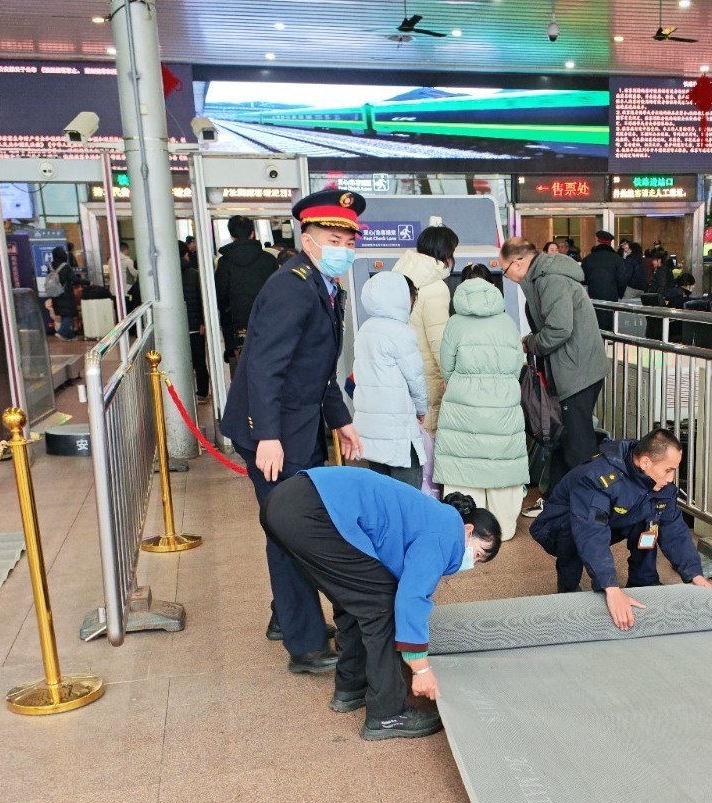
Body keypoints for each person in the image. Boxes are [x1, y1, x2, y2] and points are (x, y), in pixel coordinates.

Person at [220, 188, 367, 675]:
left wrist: (340, 420)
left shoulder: (324, 286)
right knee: (291, 531)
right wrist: (267, 434)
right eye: (332, 235)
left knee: (287, 522)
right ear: (307, 237)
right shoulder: (291, 285)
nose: (343, 243)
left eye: (349, 236)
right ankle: (304, 645)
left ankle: (285, 618)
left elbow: (318, 370)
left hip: (297, 426)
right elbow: (264, 365)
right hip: (274, 432)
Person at [263, 467, 502, 739]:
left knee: (362, 595)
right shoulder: (447, 535)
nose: (473, 561)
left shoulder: (432, 517)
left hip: (290, 502)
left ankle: (351, 686)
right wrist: (420, 668)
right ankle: (387, 714)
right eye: (479, 553)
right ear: (468, 530)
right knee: (381, 605)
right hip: (313, 511)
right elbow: (410, 599)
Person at [530, 429, 712, 630]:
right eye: (668, 470)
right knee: (578, 533)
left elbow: (674, 529)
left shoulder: (660, 484)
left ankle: (643, 581)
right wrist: (611, 588)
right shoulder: (598, 477)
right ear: (645, 463)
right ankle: (568, 587)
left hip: (608, 521)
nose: (671, 479)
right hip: (557, 527)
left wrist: (695, 574)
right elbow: (590, 532)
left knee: (650, 517)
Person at [500, 236, 607, 500]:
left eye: (506, 270)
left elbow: (560, 328)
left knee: (577, 445)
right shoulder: (543, 278)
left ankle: (593, 505)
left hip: (576, 371)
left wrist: (529, 343)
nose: (508, 276)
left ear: (519, 261)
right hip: (574, 368)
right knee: (564, 439)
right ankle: (556, 504)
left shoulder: (550, 280)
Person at [434, 277, 529, 539]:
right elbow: (514, 366)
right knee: (502, 464)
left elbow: (447, 367)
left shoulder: (454, 324)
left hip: (463, 401)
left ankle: (468, 528)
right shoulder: (507, 322)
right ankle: (504, 529)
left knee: (464, 468)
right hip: (502, 401)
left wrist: (464, 385)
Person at [353, 271, 428, 488]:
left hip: (371, 427)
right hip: (397, 427)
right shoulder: (401, 332)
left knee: (381, 488)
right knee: (408, 492)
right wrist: (421, 409)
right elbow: (415, 378)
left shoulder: (365, 330)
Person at [395, 225, 459, 436]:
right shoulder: (435, 287)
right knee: (428, 442)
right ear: (445, 254)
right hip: (427, 378)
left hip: (403, 373)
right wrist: (452, 379)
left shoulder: (399, 277)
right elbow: (439, 341)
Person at [214, 214, 279, 361]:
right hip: (267, 323)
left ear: (232, 235)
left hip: (235, 325)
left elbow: (221, 296)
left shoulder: (224, 263)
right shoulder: (268, 260)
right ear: (252, 233)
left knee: (242, 370)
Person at [179, 243, 210, 400]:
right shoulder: (194, 274)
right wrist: (203, 321)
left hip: (176, 328)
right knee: (199, 361)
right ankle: (203, 392)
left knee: (180, 362)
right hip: (195, 326)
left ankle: (183, 393)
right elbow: (201, 300)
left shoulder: (167, 277)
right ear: (186, 255)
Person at [581, 230, 629, 331]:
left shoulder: (588, 259)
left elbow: (583, 279)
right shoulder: (617, 259)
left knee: (595, 324)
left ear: (598, 242)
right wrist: (619, 294)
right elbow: (622, 279)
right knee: (610, 324)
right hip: (611, 297)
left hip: (593, 297)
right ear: (610, 243)